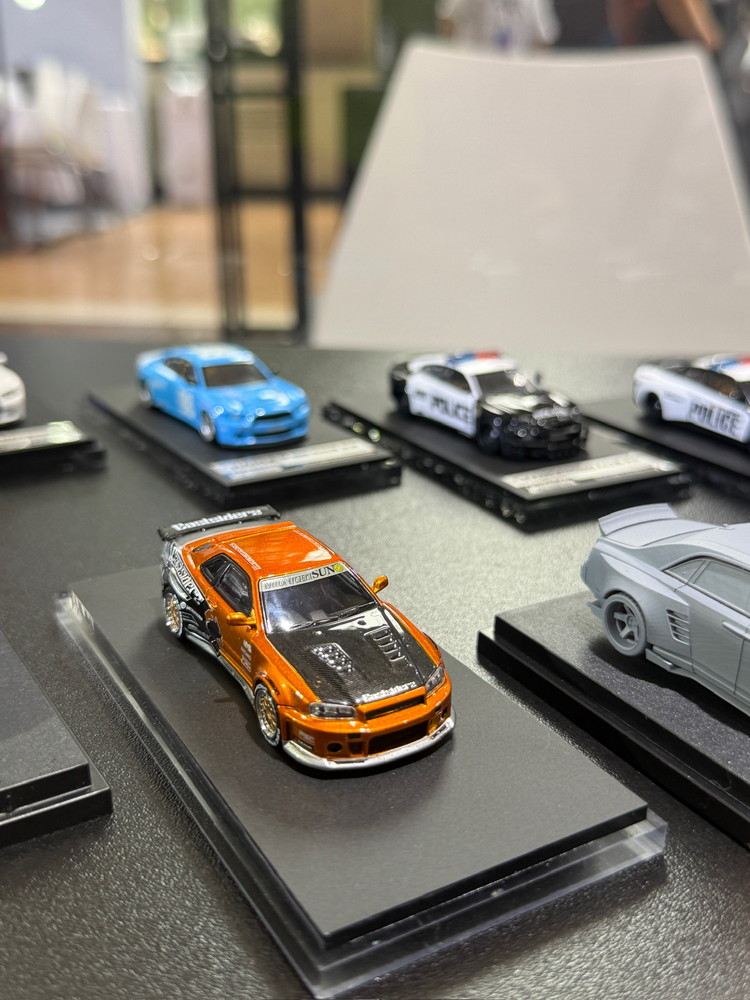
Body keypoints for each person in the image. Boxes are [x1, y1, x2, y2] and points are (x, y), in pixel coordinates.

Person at [437, 0, 560, 52]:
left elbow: (542, 41)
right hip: (471, 71)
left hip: (515, 77)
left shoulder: (537, 2)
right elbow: (447, 18)